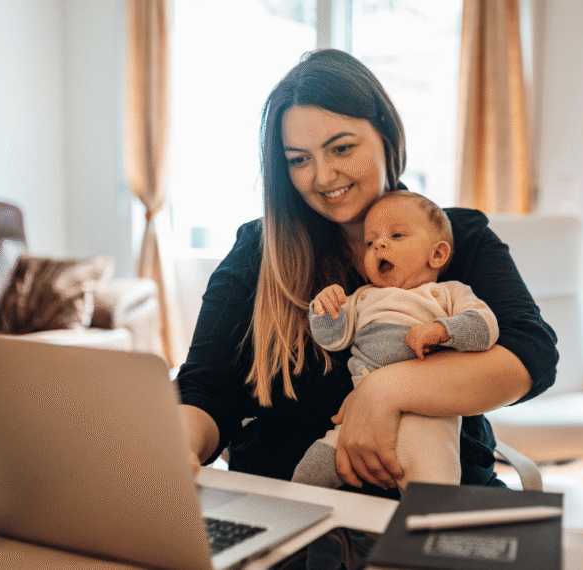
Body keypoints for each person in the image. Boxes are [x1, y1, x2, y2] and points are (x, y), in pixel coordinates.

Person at [175, 48, 558, 499]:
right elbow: (204, 392)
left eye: (342, 148)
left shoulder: (455, 238)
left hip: (436, 506)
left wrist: (385, 390)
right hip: (288, 509)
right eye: (299, 159)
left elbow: (530, 355)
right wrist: (174, 451)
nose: (322, 176)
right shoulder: (259, 251)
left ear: (386, 135)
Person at [292, 190, 499, 491]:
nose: (380, 245)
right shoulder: (363, 296)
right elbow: (332, 339)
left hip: (427, 417)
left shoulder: (449, 293)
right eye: (370, 242)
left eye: (397, 235)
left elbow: (485, 327)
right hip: (360, 416)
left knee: (433, 498)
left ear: (437, 254)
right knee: (309, 475)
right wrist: (325, 308)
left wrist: (443, 330)